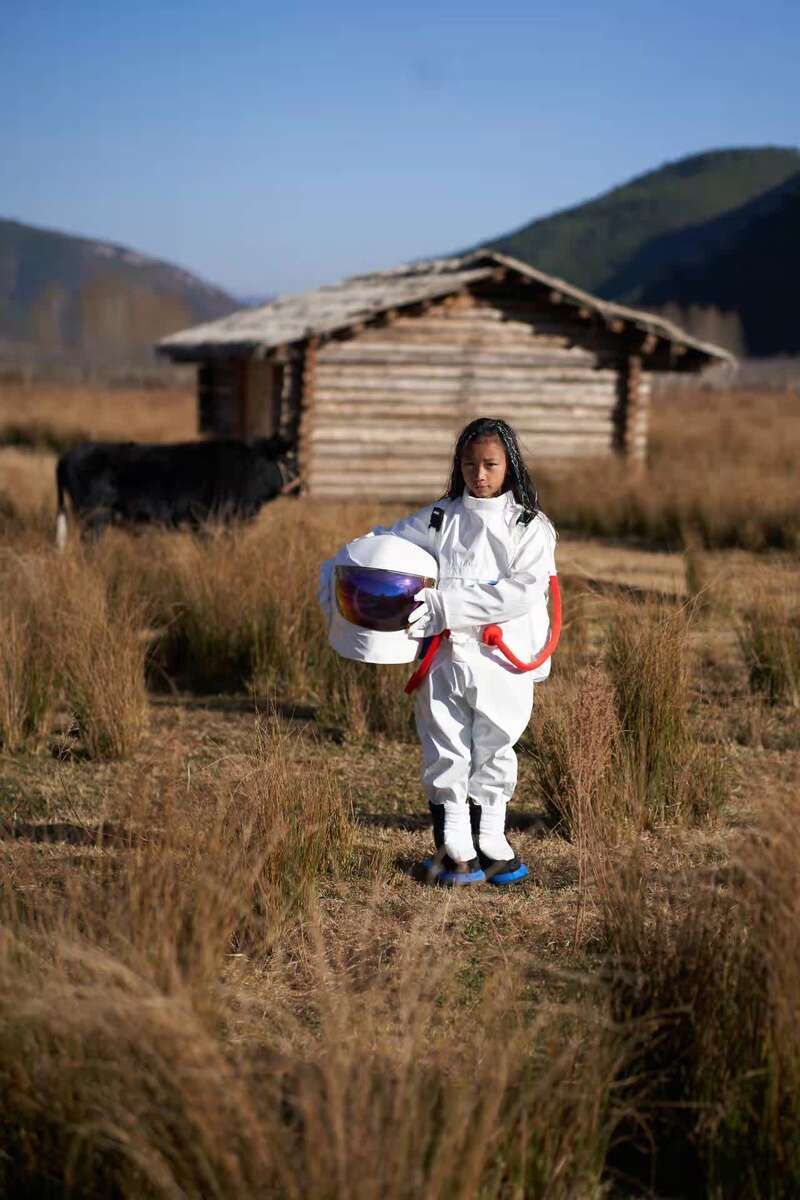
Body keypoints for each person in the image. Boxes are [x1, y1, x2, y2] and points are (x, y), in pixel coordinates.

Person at [319, 417, 557, 886]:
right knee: (444, 744)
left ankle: (493, 844)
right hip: (444, 656)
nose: (479, 475)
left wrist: (446, 606)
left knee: (495, 742)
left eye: (490, 465)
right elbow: (386, 542)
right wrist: (341, 563)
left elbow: (524, 591)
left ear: (510, 465)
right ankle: (455, 851)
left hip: (501, 656)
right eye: (469, 464)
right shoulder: (438, 518)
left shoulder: (529, 527)